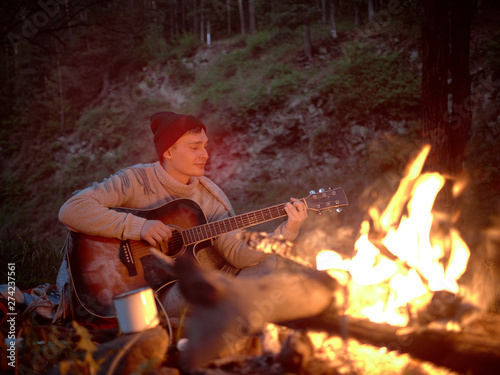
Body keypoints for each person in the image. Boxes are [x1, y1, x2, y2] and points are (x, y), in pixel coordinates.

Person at [58, 111, 308, 319]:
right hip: (137, 287)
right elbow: (72, 210)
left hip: (175, 285)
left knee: (266, 263)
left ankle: (226, 312)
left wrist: (286, 232)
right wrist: (137, 227)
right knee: (205, 291)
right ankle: (227, 312)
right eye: (194, 147)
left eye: (205, 146)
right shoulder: (135, 180)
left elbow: (237, 256)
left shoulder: (211, 197)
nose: (205, 154)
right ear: (168, 152)